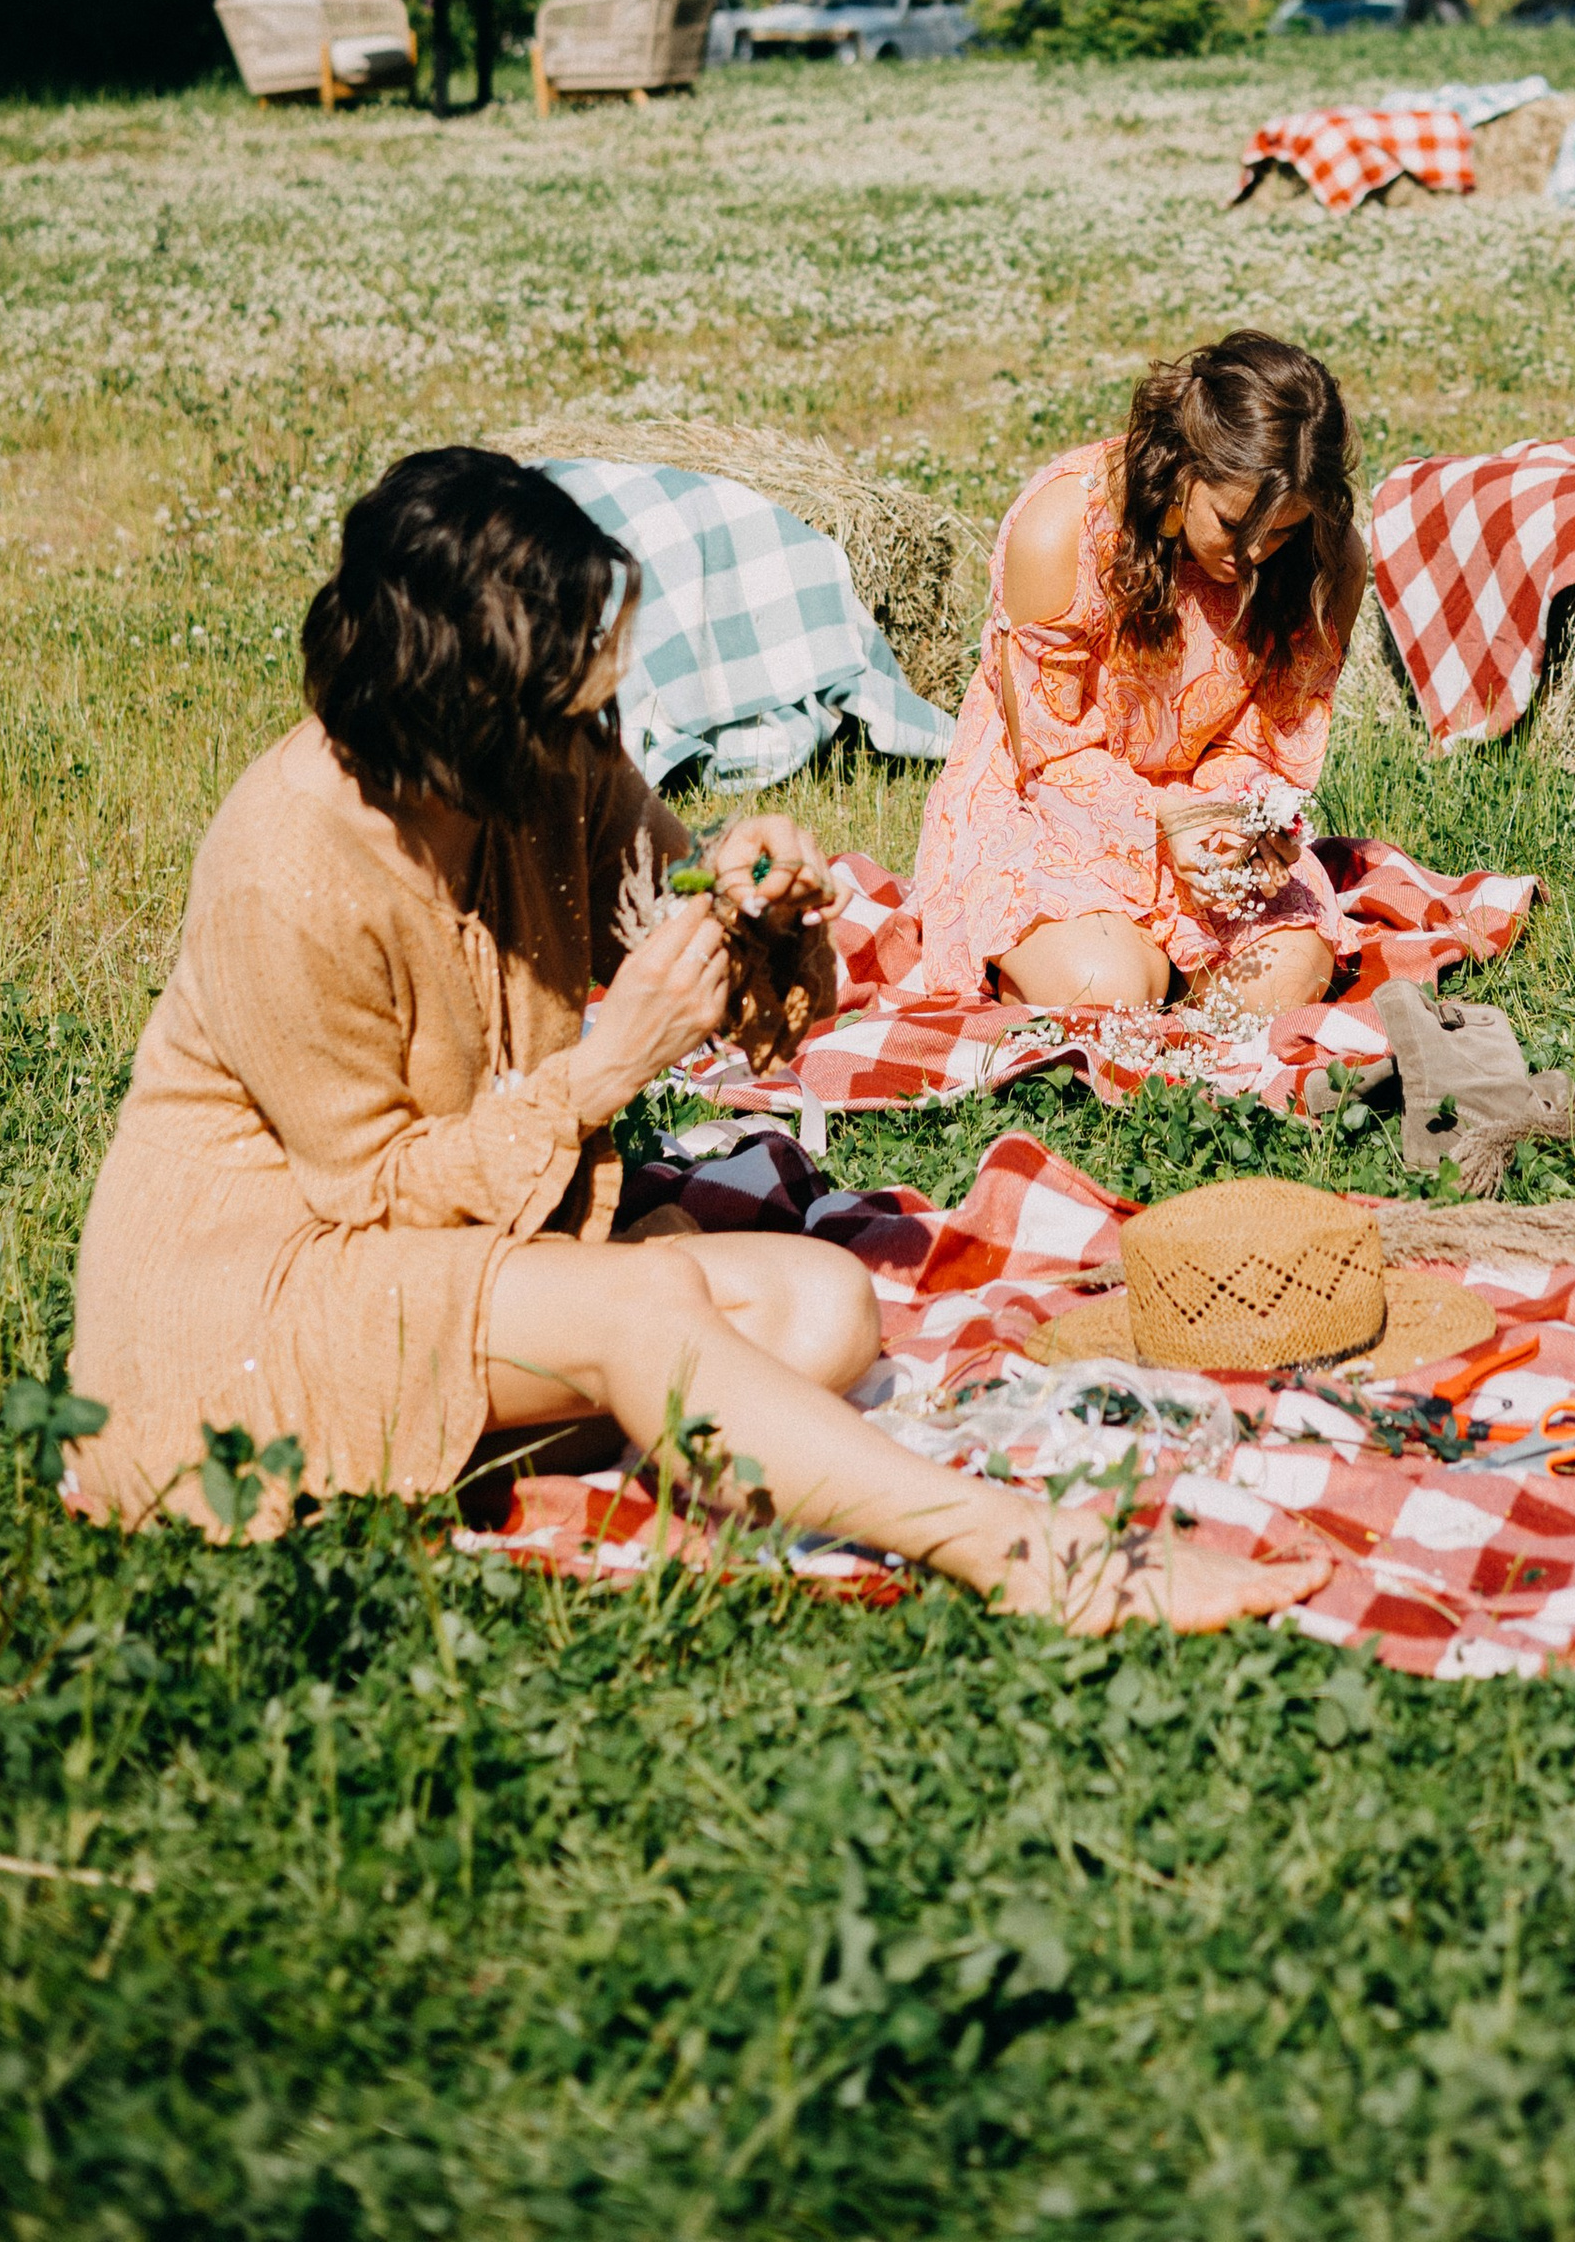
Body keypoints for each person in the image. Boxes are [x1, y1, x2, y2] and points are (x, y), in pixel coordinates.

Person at [69, 448, 1324, 1635]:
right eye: (573, 702)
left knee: (825, 1311)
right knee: (647, 1303)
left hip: (465, 1246)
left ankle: (466, 1431)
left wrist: (756, 908)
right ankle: (1025, 1552)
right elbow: (376, 1194)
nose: (602, 729)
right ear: (467, 706)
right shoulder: (286, 869)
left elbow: (743, 987)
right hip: (272, 1276)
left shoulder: (552, 764)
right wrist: (610, 1070)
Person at [913, 332, 1365, 1015]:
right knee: (1110, 989)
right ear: (1184, 468)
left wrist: (1237, 824)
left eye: (1282, 533)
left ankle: (1156, 960)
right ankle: (1108, 956)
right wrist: (1158, 821)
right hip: (1050, 801)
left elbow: (1267, 744)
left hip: (1206, 818)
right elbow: (1049, 754)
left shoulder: (1325, 563)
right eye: (1235, 522)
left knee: (1283, 986)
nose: (1255, 556)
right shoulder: (1063, 526)